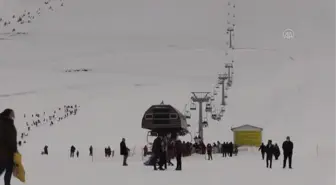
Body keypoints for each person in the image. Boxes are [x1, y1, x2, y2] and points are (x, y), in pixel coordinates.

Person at [0, 109, 18, 185]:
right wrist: (15, 151)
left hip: (3, 153)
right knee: (8, 170)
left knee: (4, 169)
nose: (13, 117)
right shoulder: (7, 125)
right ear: (8, 115)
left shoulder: (3, 123)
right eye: (12, 115)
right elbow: (11, 141)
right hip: (7, 154)